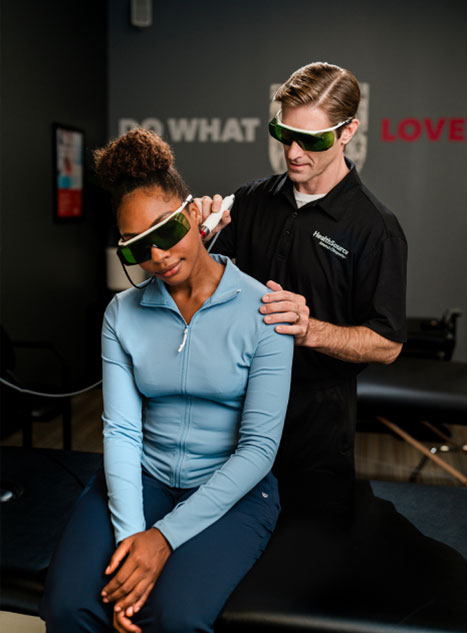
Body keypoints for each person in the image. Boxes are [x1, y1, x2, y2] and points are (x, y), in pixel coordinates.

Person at [40, 128, 293, 633]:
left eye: (166, 228)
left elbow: (258, 449)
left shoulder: (264, 311)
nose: (157, 255)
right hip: (146, 478)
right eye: (137, 247)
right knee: (69, 606)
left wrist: (164, 539)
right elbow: (121, 431)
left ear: (194, 213)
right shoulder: (122, 315)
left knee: (173, 618)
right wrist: (133, 537)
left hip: (233, 491)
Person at [200, 61, 407, 515]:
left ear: (348, 131)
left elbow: (387, 344)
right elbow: (200, 276)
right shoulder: (253, 200)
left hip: (313, 427)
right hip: (233, 411)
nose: (293, 152)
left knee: (306, 554)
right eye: (283, 134)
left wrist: (310, 329)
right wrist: (192, 235)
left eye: (311, 140)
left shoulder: (375, 228)